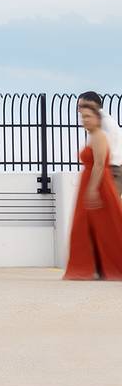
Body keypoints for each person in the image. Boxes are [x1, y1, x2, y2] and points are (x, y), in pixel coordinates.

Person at [63, 105, 122, 280]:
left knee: (107, 226)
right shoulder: (93, 136)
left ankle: (99, 267)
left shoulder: (99, 136)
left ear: (98, 119)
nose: (85, 120)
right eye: (83, 117)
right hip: (90, 184)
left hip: (98, 185)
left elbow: (99, 164)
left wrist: (93, 189)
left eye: (88, 116)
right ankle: (93, 267)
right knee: (87, 227)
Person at [78, 92, 122, 196]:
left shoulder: (103, 123)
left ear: (93, 105)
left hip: (111, 173)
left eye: (82, 106)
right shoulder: (103, 121)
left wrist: (93, 187)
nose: (79, 110)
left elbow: (100, 160)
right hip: (111, 172)